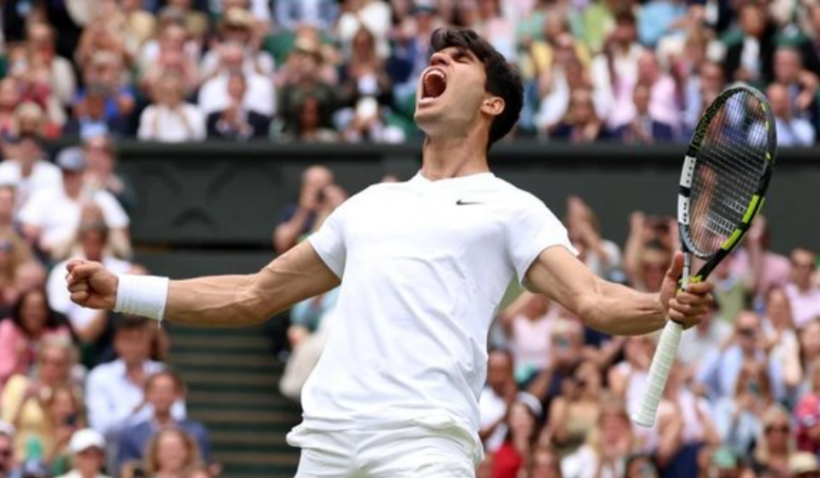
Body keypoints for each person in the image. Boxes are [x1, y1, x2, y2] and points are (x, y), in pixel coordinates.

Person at [65, 28, 713, 476]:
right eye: (439, 55)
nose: (440, 60)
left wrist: (660, 306)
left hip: (425, 449)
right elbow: (254, 294)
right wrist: (123, 291)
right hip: (328, 444)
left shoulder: (514, 209)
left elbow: (592, 297)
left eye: (459, 59)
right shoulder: (367, 205)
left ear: (492, 103)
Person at [116, 371, 210, 475]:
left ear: (178, 394)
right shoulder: (131, 435)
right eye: (156, 390)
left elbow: (202, 465)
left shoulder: (196, 432)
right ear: (146, 394)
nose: (162, 396)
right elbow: (126, 470)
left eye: (167, 390)